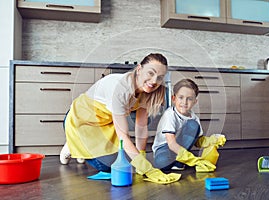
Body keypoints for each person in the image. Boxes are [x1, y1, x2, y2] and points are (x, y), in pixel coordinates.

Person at [60, 53, 180, 184]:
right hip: (81, 120)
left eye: (159, 77)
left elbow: (141, 126)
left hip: (105, 123)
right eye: (151, 73)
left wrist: (141, 155)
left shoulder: (147, 93)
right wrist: (147, 168)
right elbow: (123, 135)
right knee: (108, 167)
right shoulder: (120, 88)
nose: (154, 81)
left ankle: (82, 150)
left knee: (126, 161)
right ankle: (72, 146)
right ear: (139, 69)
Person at [152, 78, 226, 172]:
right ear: (174, 98)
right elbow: (171, 144)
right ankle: (182, 159)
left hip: (180, 149)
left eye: (189, 99)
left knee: (193, 125)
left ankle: (179, 161)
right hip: (165, 148)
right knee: (162, 162)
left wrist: (213, 140)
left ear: (195, 101)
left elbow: (198, 141)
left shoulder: (194, 118)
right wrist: (193, 160)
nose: (184, 102)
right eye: (181, 97)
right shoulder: (170, 115)